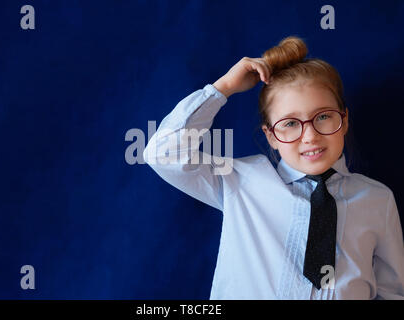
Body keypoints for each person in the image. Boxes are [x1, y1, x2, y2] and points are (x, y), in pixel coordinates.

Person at [143, 36, 404, 299]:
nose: (310, 136)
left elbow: (392, 292)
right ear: (270, 136)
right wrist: (222, 89)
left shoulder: (377, 200)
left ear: (344, 120)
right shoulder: (241, 182)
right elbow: (162, 154)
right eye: (290, 123)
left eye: (323, 117)